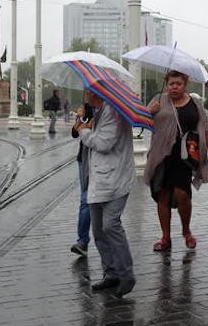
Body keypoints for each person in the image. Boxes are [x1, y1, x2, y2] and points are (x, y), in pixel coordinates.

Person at [74, 90, 136, 297]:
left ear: (98, 92)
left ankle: (126, 275)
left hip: (116, 178)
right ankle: (111, 274)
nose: (85, 95)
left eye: (88, 91)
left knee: (111, 225)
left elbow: (103, 143)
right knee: (99, 230)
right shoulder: (99, 110)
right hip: (99, 179)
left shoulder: (113, 112)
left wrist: (84, 131)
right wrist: (82, 122)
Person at [144, 70, 208, 252]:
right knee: (163, 195)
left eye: (178, 84)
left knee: (183, 194)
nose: (174, 87)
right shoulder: (159, 100)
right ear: (166, 84)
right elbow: (141, 121)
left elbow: (205, 128)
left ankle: (186, 231)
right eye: (171, 84)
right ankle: (165, 237)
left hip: (186, 156)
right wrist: (149, 113)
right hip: (162, 156)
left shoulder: (195, 103)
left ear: (185, 84)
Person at [69, 102, 95, 257]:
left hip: (99, 160)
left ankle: (85, 240)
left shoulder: (102, 112)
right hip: (83, 160)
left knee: (88, 199)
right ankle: (83, 240)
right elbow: (74, 132)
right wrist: (79, 118)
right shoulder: (86, 113)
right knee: (85, 198)